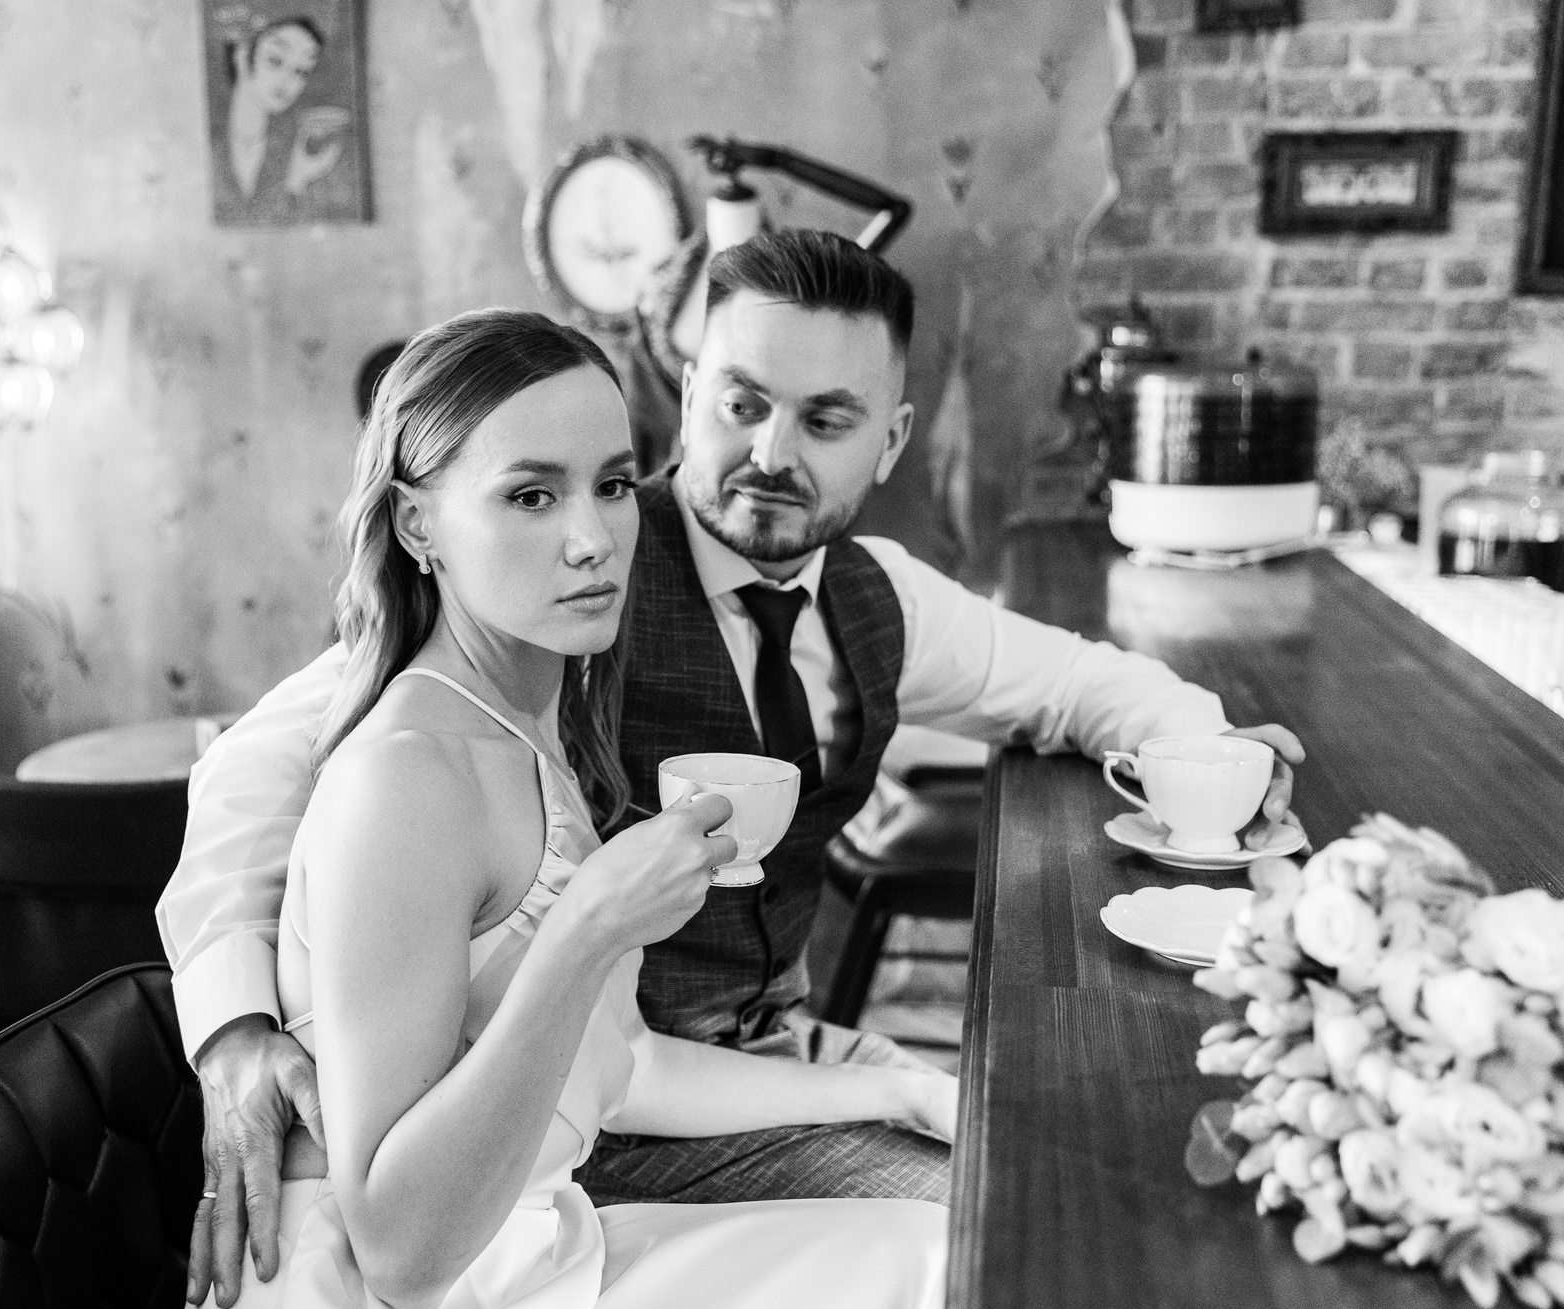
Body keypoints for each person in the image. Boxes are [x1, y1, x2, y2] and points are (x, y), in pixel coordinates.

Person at [160, 230, 1307, 1306]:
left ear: (890, 440)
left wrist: (1214, 760)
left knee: (1091, 1169)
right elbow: (267, 770)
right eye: (743, 403)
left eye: (826, 418)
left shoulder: (873, 597)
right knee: (1016, 1239)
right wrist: (233, 1026)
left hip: (733, 1060)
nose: (770, 453)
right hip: (573, 1149)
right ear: (690, 390)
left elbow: (1082, 685)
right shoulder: (543, 604)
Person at [199, 308, 950, 1308]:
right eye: (531, 495)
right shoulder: (408, 778)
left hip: (543, 1242)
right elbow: (399, 1252)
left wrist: (900, 1089)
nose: (594, 540)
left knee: (953, 1239)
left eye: (612, 485)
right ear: (417, 524)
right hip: (427, 1284)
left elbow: (627, 1066)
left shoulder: (532, 725)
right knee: (955, 1262)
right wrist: (588, 927)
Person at [213, 16, 351, 225]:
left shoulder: (295, 147)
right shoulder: (207, 142)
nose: (289, 80)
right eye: (275, 60)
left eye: (301, 71)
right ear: (242, 55)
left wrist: (298, 179)